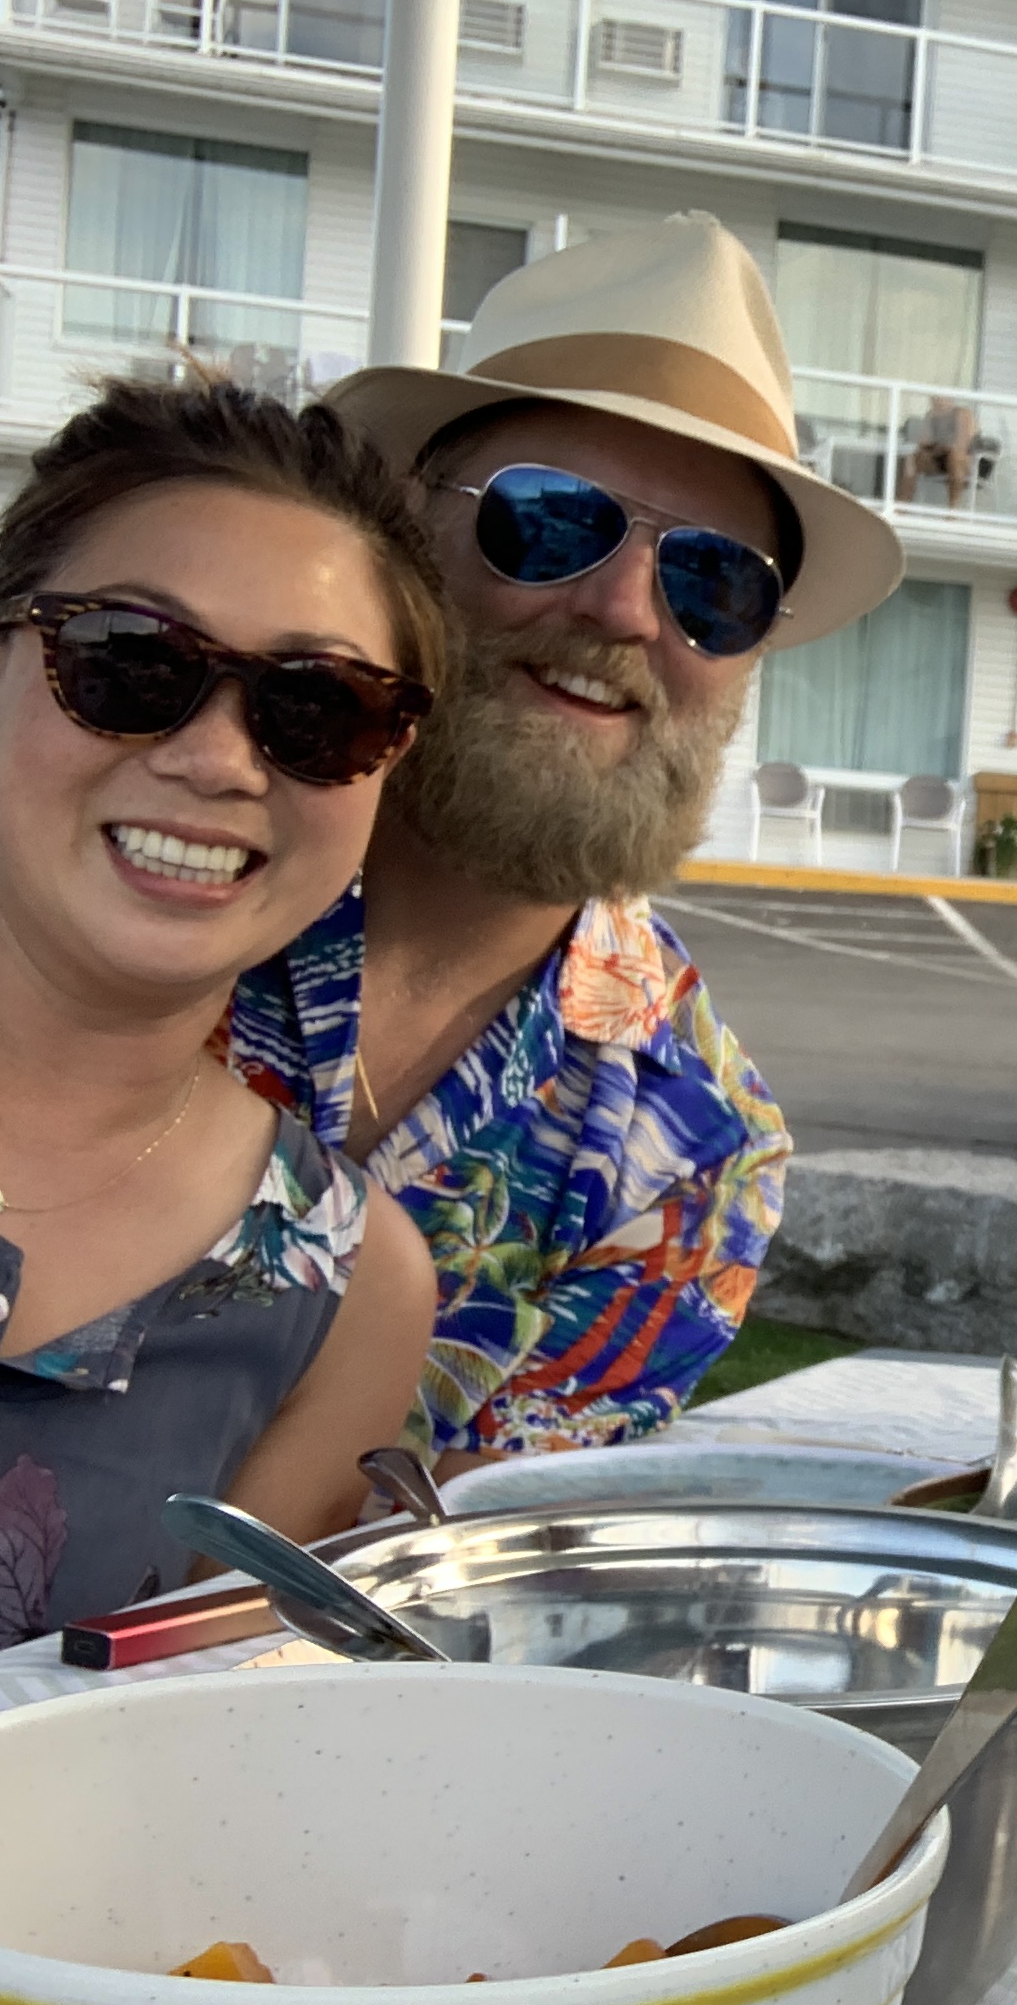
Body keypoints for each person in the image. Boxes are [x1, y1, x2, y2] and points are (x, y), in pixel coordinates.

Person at [227, 214, 903, 1458]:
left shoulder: (694, 1151)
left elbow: (460, 1548)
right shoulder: (163, 839)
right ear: (404, 540)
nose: (625, 608)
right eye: (549, 520)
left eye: (714, 583)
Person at [0, 379, 442, 1652]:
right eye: (131, 663)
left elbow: (188, 1737)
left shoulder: (348, 1289)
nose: (220, 758)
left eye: (318, 708)